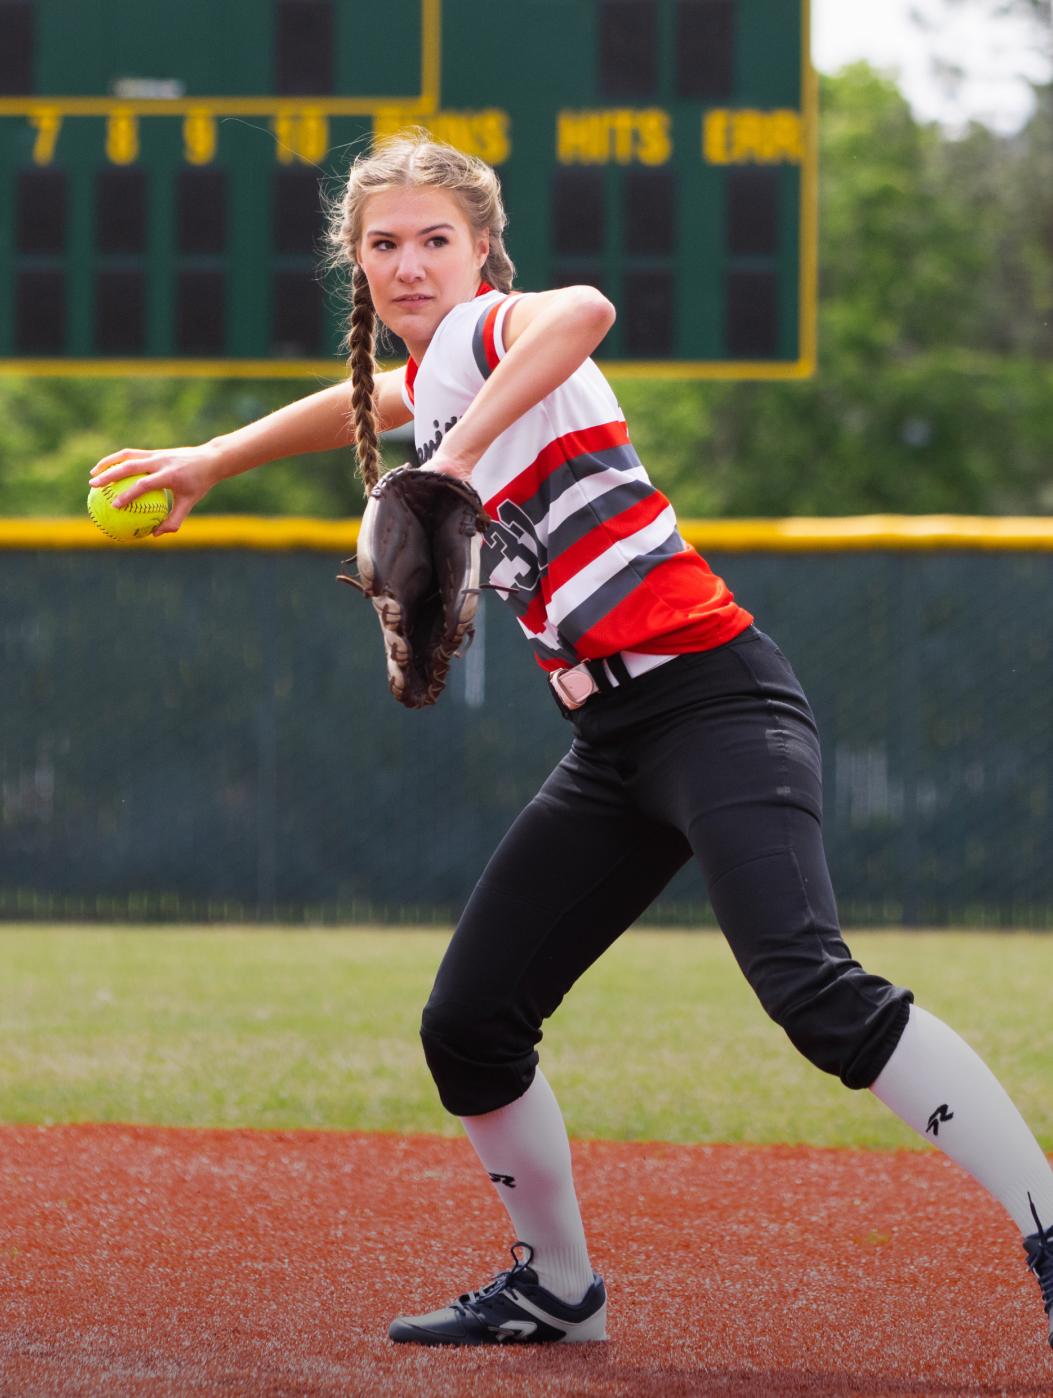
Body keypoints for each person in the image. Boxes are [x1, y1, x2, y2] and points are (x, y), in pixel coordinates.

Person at [91, 134, 1053, 1353]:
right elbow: (377, 400)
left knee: (813, 991)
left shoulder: (498, 336)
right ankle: (557, 1288)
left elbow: (583, 309)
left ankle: (1048, 1228)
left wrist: (452, 458)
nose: (408, 262)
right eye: (382, 244)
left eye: (435, 238)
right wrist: (214, 460)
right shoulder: (442, 373)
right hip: (609, 745)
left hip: (714, 700)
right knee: (471, 1023)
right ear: (357, 263)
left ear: (482, 249)